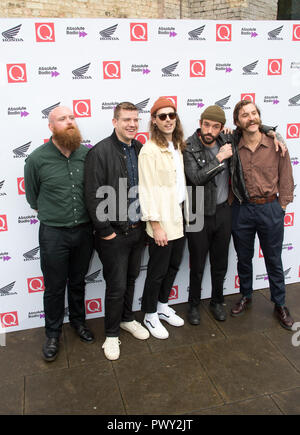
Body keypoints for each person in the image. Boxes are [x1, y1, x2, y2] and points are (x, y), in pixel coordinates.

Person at [24, 106, 94, 362]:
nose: (69, 122)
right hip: (53, 233)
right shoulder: (36, 159)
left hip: (85, 231)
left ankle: (78, 323)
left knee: (78, 281)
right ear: (51, 126)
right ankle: (53, 334)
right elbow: (33, 198)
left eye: (72, 118)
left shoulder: (86, 155)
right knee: (54, 287)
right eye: (63, 119)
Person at [84, 102, 149, 361]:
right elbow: (92, 194)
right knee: (116, 285)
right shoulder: (99, 152)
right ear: (115, 122)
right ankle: (111, 335)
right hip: (113, 235)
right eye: (126, 120)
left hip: (137, 230)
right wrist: (105, 230)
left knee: (131, 279)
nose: (132, 124)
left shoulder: (140, 148)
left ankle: (126, 319)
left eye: (135, 119)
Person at [230, 100, 294, 330]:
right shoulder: (233, 145)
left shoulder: (276, 144)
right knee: (243, 258)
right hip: (242, 210)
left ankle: (280, 303)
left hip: (270, 208)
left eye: (254, 113)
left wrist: (282, 207)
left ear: (259, 116)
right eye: (245, 115)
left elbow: (286, 177)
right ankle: (246, 295)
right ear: (238, 121)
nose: (251, 118)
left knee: (274, 260)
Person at [138, 97, 187, 339]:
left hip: (179, 216)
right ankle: (149, 314)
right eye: (162, 116)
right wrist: (155, 226)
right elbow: (146, 190)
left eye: (171, 115)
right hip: (161, 221)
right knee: (157, 270)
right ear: (154, 121)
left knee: (174, 265)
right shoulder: (149, 151)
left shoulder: (177, 144)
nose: (168, 120)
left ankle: (162, 306)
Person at [183, 105, 232, 324]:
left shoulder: (226, 140)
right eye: (206, 124)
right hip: (197, 212)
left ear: (221, 127)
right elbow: (196, 178)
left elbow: (255, 128)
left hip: (222, 211)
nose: (209, 130)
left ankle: (217, 301)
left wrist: (274, 133)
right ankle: (193, 305)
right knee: (198, 264)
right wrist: (219, 159)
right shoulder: (188, 146)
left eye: (215, 126)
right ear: (200, 123)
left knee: (220, 262)